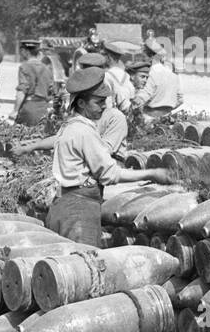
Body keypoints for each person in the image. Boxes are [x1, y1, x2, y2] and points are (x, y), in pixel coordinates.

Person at [44, 67, 172, 245]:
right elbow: (110, 174)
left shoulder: (69, 126)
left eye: (105, 100)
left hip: (62, 205)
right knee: (84, 266)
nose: (104, 106)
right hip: (79, 212)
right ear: (81, 103)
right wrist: (152, 173)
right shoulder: (85, 132)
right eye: (98, 102)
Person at [132, 41, 183, 120]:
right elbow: (180, 100)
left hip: (148, 117)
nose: (142, 59)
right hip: (167, 118)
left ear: (150, 57)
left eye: (143, 56)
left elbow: (142, 98)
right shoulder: (173, 75)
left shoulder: (149, 74)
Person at [13, 39, 53, 126]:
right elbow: (51, 92)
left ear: (25, 51)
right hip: (43, 110)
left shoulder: (24, 67)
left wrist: (15, 111)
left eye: (22, 50)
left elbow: (21, 91)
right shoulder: (46, 69)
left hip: (28, 108)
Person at [102, 41, 135, 112]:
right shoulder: (126, 75)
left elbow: (107, 101)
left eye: (104, 55)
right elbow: (132, 93)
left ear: (108, 57)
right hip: (128, 112)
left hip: (113, 114)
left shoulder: (106, 76)